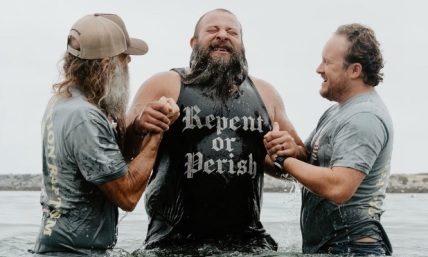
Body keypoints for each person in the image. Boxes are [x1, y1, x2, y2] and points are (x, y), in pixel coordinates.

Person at [125, 8, 307, 253]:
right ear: (193, 43)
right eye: (213, 30)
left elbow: (300, 164)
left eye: (232, 32)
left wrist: (288, 151)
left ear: (241, 45)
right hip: (172, 242)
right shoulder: (165, 84)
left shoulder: (266, 93)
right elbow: (123, 150)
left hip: (248, 241)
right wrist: (138, 125)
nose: (223, 35)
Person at [32, 13, 179, 255]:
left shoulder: (64, 102)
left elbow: (105, 158)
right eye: (124, 57)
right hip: (75, 252)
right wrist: (159, 130)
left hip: (57, 246)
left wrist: (139, 127)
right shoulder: (84, 118)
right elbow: (128, 195)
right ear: (105, 65)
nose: (129, 62)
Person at [264, 23, 394, 255]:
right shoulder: (337, 112)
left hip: (354, 249)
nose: (318, 69)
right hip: (332, 247)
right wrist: (289, 151)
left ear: (354, 70)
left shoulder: (364, 117)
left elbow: (339, 187)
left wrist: (284, 161)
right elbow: (306, 161)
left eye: (327, 62)